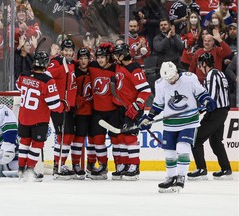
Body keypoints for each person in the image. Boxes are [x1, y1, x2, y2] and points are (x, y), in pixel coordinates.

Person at [137, 61, 216, 193]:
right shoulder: (160, 84)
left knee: (182, 146)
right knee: (169, 152)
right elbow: (158, 105)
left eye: (172, 78)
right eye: (168, 79)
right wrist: (149, 118)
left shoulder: (189, 79)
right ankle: (170, 177)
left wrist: (207, 100)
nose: (171, 81)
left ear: (176, 72)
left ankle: (181, 176)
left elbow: (201, 94)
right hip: (170, 123)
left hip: (189, 121)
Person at [15, 51, 69, 181]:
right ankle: (29, 170)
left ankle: (21, 170)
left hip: (23, 117)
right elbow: (53, 105)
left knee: (24, 142)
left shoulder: (23, 75)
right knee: (37, 144)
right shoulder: (48, 81)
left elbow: (18, 85)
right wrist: (63, 105)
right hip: (38, 118)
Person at [187, 53, 232, 180]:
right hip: (222, 111)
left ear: (204, 63)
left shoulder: (211, 75)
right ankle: (226, 169)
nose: (199, 66)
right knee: (216, 141)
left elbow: (210, 100)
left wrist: (198, 111)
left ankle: (201, 169)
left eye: (200, 63)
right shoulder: (220, 73)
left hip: (215, 112)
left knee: (196, 139)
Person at [112, 43, 151, 180]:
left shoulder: (134, 69)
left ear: (122, 55)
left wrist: (136, 106)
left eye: (117, 54)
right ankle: (125, 164)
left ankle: (134, 166)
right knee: (121, 137)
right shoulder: (119, 66)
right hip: (121, 108)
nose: (115, 57)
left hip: (133, 109)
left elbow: (145, 90)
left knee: (129, 137)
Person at [47, 39, 78, 180]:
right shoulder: (57, 62)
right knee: (62, 135)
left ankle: (62, 163)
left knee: (69, 135)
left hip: (69, 106)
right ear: (61, 51)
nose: (68, 53)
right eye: (65, 50)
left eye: (70, 50)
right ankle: (57, 166)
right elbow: (46, 76)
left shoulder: (71, 64)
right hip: (59, 106)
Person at [88, 42, 117, 180]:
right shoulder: (92, 66)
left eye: (103, 57)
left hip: (112, 112)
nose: (100, 60)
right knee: (98, 140)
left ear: (108, 58)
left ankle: (121, 166)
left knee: (117, 140)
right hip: (97, 112)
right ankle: (103, 166)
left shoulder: (115, 69)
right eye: (98, 57)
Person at [72, 47, 95, 179]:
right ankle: (75, 163)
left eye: (85, 58)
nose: (83, 61)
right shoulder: (75, 73)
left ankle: (90, 164)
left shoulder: (93, 71)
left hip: (93, 110)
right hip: (80, 111)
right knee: (79, 138)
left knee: (92, 139)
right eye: (80, 58)